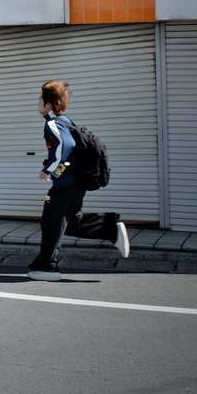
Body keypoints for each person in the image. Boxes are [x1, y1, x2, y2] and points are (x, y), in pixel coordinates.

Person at [28, 79, 130, 281]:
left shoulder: (52, 124)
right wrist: (58, 171)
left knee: (51, 223)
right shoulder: (66, 120)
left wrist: (48, 171)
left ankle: (46, 268)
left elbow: (64, 149)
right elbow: (69, 155)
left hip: (65, 186)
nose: (37, 103)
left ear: (48, 104)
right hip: (73, 184)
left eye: (40, 99)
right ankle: (110, 227)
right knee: (70, 221)